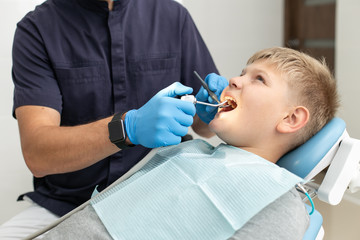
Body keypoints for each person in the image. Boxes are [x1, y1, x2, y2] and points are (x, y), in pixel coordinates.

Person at [40, 47, 339, 239]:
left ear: (291, 119)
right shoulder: (190, 152)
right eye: (242, 72)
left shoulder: (279, 205)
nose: (233, 80)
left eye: (258, 79)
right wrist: (127, 128)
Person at [1, 0, 224, 238]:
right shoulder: (37, 29)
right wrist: (126, 128)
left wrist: (208, 111)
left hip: (164, 194)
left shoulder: (173, 16)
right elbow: (38, 154)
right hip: (70, 205)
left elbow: (205, 128)